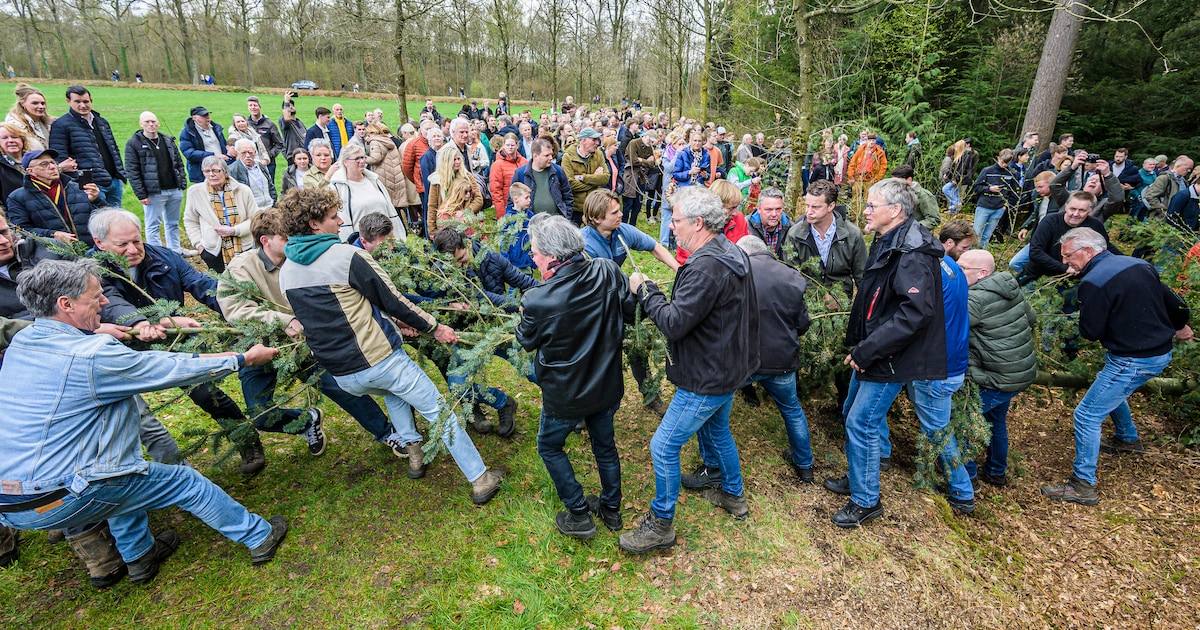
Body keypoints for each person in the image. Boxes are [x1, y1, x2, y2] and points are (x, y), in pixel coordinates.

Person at [0, 259, 289, 586]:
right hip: (64, 493)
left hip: (12, 503)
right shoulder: (91, 355)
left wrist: (95, 329)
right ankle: (258, 535)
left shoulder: (22, 344)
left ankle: (139, 557)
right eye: (96, 297)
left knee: (120, 480)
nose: (105, 302)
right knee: (184, 483)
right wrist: (243, 358)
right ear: (65, 304)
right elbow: (168, 367)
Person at [276, 188, 503, 503]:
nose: (340, 221)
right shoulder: (347, 256)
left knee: (396, 395)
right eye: (332, 217)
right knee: (440, 411)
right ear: (315, 224)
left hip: (343, 375)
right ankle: (481, 479)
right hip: (379, 360)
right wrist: (435, 327)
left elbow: (340, 311)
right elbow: (394, 299)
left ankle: (414, 455)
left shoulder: (287, 272)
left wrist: (391, 323)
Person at [217, 210, 426, 471]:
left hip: (308, 344)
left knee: (341, 387)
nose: (292, 241)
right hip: (262, 348)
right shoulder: (240, 269)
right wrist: (284, 321)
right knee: (260, 414)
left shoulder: (302, 261)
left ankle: (387, 432)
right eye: (285, 237)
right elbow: (235, 310)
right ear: (265, 241)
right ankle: (307, 421)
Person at [619, 185, 759, 554]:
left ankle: (661, 523)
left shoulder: (707, 268)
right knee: (718, 430)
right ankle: (733, 494)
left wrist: (646, 291)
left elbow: (674, 323)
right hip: (728, 365)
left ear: (698, 223)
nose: (671, 227)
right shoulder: (729, 251)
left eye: (676, 220)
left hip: (707, 376)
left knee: (663, 446)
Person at [823, 178, 946, 528]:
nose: (865, 209)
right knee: (851, 411)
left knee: (862, 421)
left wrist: (869, 349)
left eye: (872, 204)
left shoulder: (912, 253)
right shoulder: (887, 240)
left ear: (894, 211)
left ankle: (866, 500)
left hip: (892, 356)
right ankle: (858, 475)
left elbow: (915, 313)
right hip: (875, 348)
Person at [1041, 227, 1192, 505]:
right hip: (1157, 353)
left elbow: (1091, 331)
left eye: (1068, 256)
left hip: (1133, 359)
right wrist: (1180, 325)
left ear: (1088, 251)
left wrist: (1086, 299)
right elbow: (1176, 303)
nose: (1065, 263)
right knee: (1107, 387)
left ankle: (1083, 484)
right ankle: (1127, 438)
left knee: (1086, 415)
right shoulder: (1139, 264)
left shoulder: (1094, 281)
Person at [517, 214, 634, 538]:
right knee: (604, 445)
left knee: (549, 446)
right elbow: (630, 310)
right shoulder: (608, 271)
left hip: (565, 394)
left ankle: (579, 514)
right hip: (605, 384)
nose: (533, 256)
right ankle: (611, 509)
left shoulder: (537, 299)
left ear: (554, 256)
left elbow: (526, 340)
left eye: (536, 251)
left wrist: (524, 316)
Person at [730, 235, 815, 483]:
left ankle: (714, 464)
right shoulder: (792, 276)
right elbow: (803, 323)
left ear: (743, 253)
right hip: (782, 360)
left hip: (745, 360)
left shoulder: (737, 274)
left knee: (718, 411)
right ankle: (805, 464)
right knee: (791, 410)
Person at [956, 249, 1037, 488]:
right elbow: (1031, 319)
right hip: (1018, 372)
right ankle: (995, 472)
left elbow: (953, 331)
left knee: (964, 423)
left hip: (995, 376)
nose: (957, 273)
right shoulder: (1009, 287)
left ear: (982, 273)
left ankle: (967, 479)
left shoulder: (975, 298)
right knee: (995, 421)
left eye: (963, 269)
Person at [783, 179, 866, 299]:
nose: (808, 212)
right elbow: (791, 274)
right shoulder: (795, 234)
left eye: (815, 207)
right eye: (807, 206)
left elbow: (862, 276)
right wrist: (820, 295)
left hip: (841, 304)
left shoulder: (852, 235)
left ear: (831, 206)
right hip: (806, 302)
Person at [124, 112, 190, 256]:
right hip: (154, 192)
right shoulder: (134, 143)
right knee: (153, 224)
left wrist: (182, 182)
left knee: (173, 223)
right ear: (141, 124)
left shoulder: (167, 140)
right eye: (147, 122)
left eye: (153, 121)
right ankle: (158, 254)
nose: (151, 124)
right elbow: (132, 170)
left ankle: (175, 251)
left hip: (174, 189)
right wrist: (141, 194)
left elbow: (178, 162)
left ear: (158, 123)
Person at [48, 86, 126, 206]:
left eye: (85, 101)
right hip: (91, 185)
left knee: (116, 220)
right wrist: (82, 182)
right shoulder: (61, 125)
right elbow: (60, 157)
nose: (83, 105)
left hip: (113, 181)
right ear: (68, 101)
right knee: (97, 221)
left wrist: (120, 174)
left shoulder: (101, 122)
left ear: (91, 100)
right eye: (77, 102)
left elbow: (113, 149)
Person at [6, 148, 102, 244]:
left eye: (53, 162)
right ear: (31, 171)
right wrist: (52, 234)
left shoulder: (77, 188)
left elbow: (104, 217)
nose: (52, 167)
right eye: (44, 164)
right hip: (54, 252)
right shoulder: (17, 197)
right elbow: (21, 230)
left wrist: (96, 200)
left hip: (91, 247)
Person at [183, 156, 258, 273]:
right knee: (222, 285)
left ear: (225, 172)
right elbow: (190, 220)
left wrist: (235, 230)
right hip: (213, 250)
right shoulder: (195, 192)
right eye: (207, 171)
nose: (211, 174)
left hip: (244, 247)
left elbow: (254, 219)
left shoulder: (243, 190)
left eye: (216, 171)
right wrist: (199, 245)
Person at [329, 143, 405, 242]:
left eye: (363, 157)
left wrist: (399, 238)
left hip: (385, 241)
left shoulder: (374, 181)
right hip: (361, 243)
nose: (362, 161)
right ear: (345, 162)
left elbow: (390, 210)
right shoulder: (337, 187)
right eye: (357, 159)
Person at [426, 144, 483, 235]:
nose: (457, 162)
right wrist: (432, 231)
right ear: (446, 161)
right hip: (446, 224)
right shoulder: (437, 180)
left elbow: (478, 199)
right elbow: (432, 206)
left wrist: (466, 212)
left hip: (467, 224)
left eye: (458, 159)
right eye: (454, 160)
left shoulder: (467, 176)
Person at [562, 127, 608, 225]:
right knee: (575, 237)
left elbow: (605, 178)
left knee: (596, 237)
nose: (597, 143)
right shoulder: (568, 157)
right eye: (594, 140)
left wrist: (582, 177)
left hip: (594, 206)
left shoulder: (598, 154)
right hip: (576, 208)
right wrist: (595, 179)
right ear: (584, 141)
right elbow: (570, 184)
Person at [178, 105, 232, 185]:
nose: (207, 117)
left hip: (221, 168)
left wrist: (229, 150)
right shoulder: (187, 133)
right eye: (203, 115)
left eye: (207, 114)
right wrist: (213, 155)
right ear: (194, 118)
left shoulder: (216, 128)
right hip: (202, 172)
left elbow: (223, 145)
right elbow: (189, 153)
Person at [363, 121, 408, 213]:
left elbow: (375, 159)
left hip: (384, 175)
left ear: (372, 133)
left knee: (388, 207)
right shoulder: (387, 140)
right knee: (395, 208)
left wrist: (362, 158)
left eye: (369, 133)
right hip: (394, 174)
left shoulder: (375, 142)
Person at [228, 139, 277, 212]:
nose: (247, 155)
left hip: (270, 208)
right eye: (243, 152)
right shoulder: (232, 170)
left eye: (250, 152)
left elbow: (271, 185)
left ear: (255, 152)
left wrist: (273, 202)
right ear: (238, 153)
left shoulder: (260, 166)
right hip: (252, 211)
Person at [746, 186, 792, 258]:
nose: (774, 214)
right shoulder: (746, 227)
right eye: (769, 210)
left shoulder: (791, 229)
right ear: (759, 209)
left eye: (778, 209)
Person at [892, 164, 941, 231]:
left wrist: (912, 228)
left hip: (918, 236)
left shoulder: (924, 195)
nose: (895, 185)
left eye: (898, 182)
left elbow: (934, 219)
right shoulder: (896, 193)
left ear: (909, 180)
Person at [245, 96, 284, 180]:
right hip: (250, 163)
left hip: (268, 164)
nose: (253, 107)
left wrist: (269, 156)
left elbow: (279, 143)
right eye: (250, 105)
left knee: (269, 188)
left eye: (255, 105)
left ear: (260, 107)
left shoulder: (269, 124)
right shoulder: (246, 125)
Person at [5, 83, 52, 151]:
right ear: (22, 104)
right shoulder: (15, 126)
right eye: (35, 103)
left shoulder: (48, 123)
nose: (41, 107)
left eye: (42, 103)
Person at [489, 134, 526, 220]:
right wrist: (502, 214)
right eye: (507, 145)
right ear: (504, 146)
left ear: (517, 145)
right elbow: (496, 191)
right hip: (507, 206)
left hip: (524, 205)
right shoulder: (497, 165)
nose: (510, 147)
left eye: (512, 145)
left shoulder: (524, 162)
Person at [0, 123, 28, 204]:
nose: (11, 141)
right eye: (4, 138)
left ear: (22, 139)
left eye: (14, 137)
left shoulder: (35, 159)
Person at [277, 100, 307, 166]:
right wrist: (286, 100)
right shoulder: (283, 120)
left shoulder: (299, 121)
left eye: (292, 106)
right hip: (294, 156)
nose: (291, 107)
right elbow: (287, 119)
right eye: (288, 106)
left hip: (305, 155)